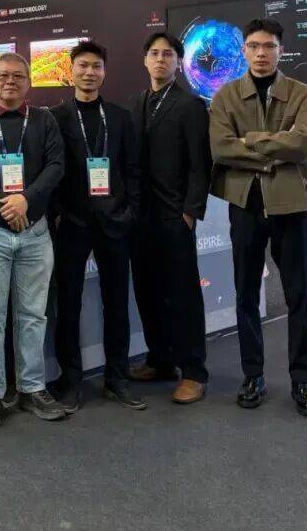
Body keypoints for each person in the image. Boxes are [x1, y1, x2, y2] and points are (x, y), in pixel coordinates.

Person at [209, 18, 307, 417]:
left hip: (292, 206)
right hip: (245, 206)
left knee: (298, 294)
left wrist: (251, 142)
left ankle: (302, 379)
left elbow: (303, 145)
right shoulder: (226, 96)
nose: (261, 53)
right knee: (245, 294)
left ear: (280, 50)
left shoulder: (301, 94)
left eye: (269, 46)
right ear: (243, 51)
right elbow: (221, 148)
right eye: (254, 46)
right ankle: (252, 374)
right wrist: (274, 149)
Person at [0, 52, 66, 429]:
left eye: (18, 76)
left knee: (33, 315)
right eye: (3, 75)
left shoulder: (44, 120)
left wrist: (26, 200)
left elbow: (56, 166)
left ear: (28, 82)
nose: (10, 82)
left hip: (35, 232)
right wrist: (6, 202)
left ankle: (33, 386)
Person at [49, 41, 145, 412]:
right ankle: (70, 380)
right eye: (83, 66)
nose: (89, 72)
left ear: (104, 71)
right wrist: (58, 212)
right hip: (72, 223)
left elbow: (133, 169)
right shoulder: (56, 117)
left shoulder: (119, 117)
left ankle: (117, 378)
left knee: (117, 303)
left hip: (115, 222)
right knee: (68, 304)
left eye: (96, 66)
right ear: (71, 70)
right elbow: (51, 169)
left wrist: (130, 211)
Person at [129, 32, 212, 405]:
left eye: (168, 54)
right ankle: (160, 359)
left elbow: (200, 164)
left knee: (182, 294)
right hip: (140, 216)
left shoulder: (190, 105)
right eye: (154, 53)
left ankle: (193, 371)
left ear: (179, 62)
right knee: (147, 291)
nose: (160, 59)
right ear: (145, 60)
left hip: (175, 214)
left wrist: (191, 212)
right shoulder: (137, 103)